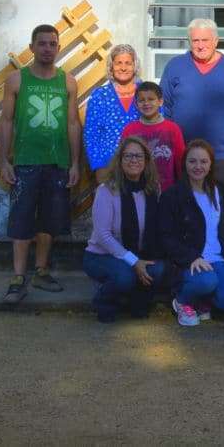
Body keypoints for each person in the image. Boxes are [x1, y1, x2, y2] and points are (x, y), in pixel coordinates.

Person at [0, 24, 81, 303]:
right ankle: (18, 277)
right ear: (32, 47)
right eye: (42, 43)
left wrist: (75, 163)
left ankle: (41, 271)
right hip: (25, 162)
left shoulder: (67, 81)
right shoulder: (16, 80)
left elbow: (72, 122)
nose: (47, 48)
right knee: (22, 218)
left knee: (50, 220)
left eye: (52, 44)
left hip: (57, 163)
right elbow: (6, 121)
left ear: (58, 48)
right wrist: (4, 160)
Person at [161, 18, 224, 189]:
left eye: (205, 40)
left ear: (216, 41)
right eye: (195, 40)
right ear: (189, 42)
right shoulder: (175, 67)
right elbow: (163, 108)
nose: (200, 45)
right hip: (182, 154)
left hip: (222, 157)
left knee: (220, 212)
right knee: (183, 212)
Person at [82, 136, 166, 323]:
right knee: (125, 276)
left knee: (158, 269)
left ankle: (135, 302)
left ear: (146, 160)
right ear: (120, 161)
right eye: (128, 156)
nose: (133, 160)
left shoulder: (153, 189)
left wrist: (140, 259)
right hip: (101, 256)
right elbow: (103, 235)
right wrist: (134, 261)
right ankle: (103, 300)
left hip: (138, 251)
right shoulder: (106, 190)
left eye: (138, 156)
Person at [159, 139, 224, 327]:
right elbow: (166, 236)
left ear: (211, 164)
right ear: (184, 163)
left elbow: (219, 229)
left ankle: (202, 301)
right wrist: (190, 257)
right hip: (189, 261)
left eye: (203, 162)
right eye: (192, 161)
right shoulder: (173, 195)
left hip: (217, 259)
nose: (198, 166)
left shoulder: (221, 191)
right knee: (207, 281)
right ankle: (181, 301)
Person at [83, 44, 142, 184]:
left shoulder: (146, 93)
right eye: (118, 63)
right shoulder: (100, 96)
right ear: (111, 66)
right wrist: (98, 164)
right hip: (107, 165)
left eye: (128, 63)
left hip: (140, 165)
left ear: (135, 66)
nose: (123, 67)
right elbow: (91, 134)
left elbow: (157, 126)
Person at [121, 81, 185, 191]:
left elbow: (180, 161)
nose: (146, 103)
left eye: (151, 99)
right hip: (137, 191)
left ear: (160, 101)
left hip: (167, 191)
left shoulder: (172, 129)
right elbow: (122, 161)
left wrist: (183, 187)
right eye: (141, 100)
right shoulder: (130, 130)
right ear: (136, 104)